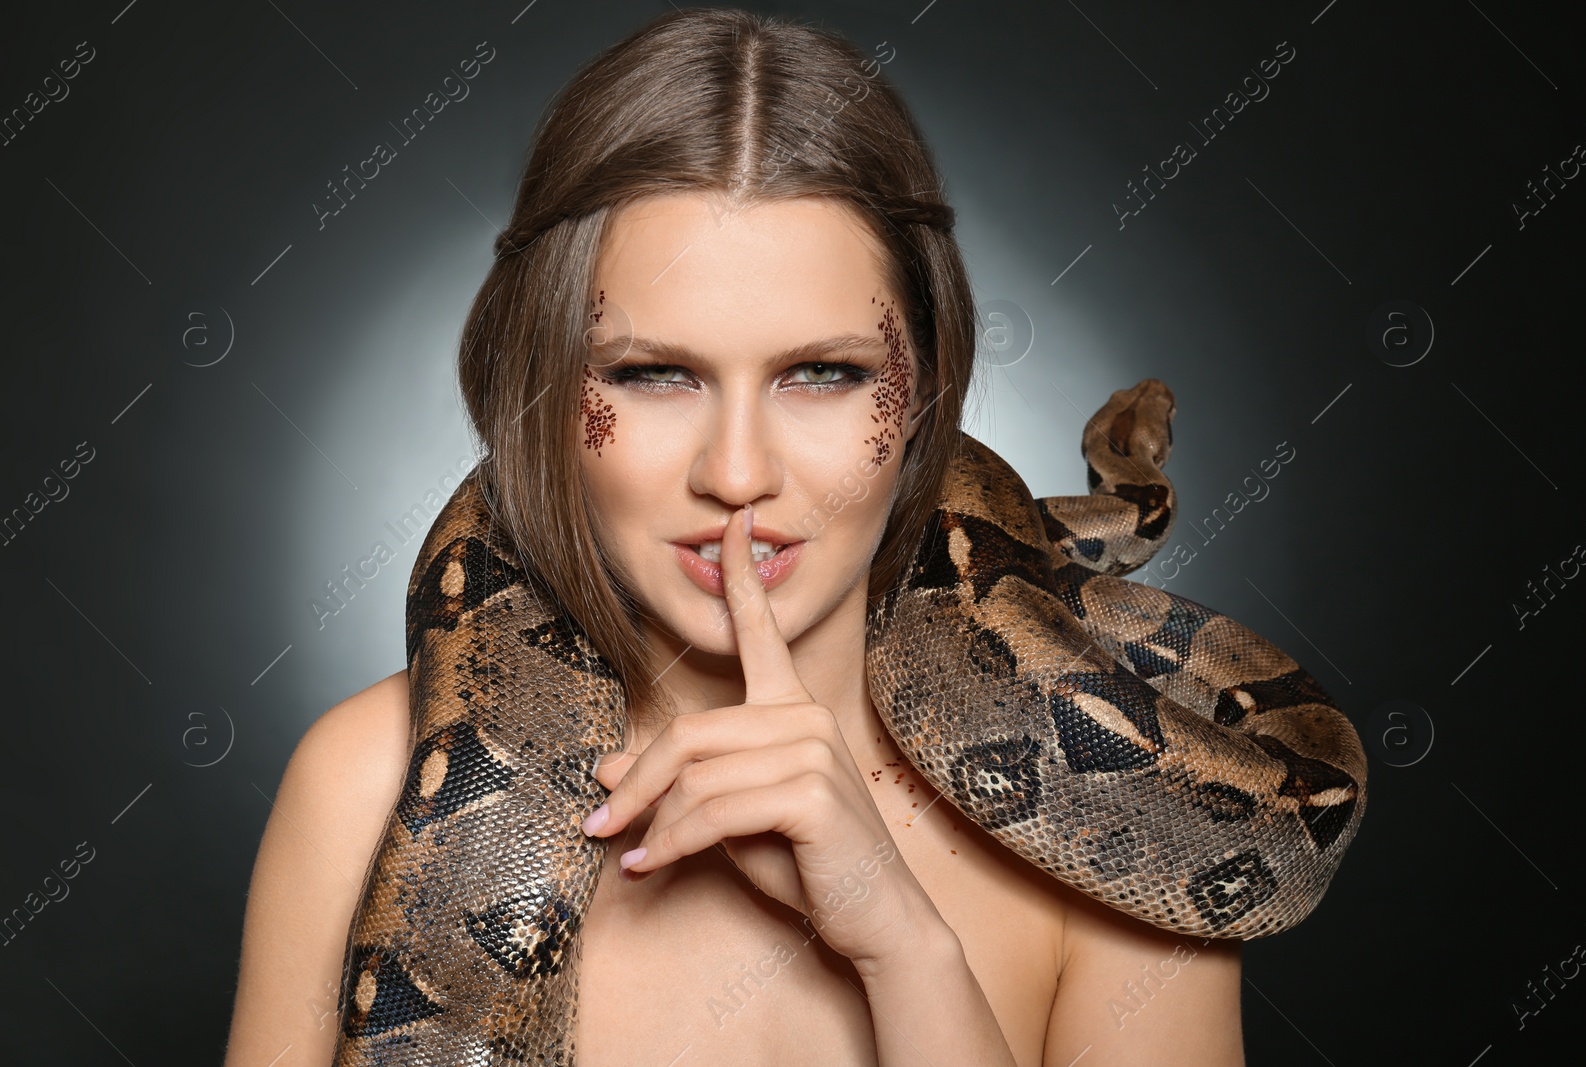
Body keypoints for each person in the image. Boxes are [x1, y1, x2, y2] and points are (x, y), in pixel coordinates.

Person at [224, 8, 1244, 1065]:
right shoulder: (358, 785)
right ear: (537, 392)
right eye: (650, 374)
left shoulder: (1141, 843)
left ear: (928, 396)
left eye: (825, 373)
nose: (739, 473)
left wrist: (907, 951)